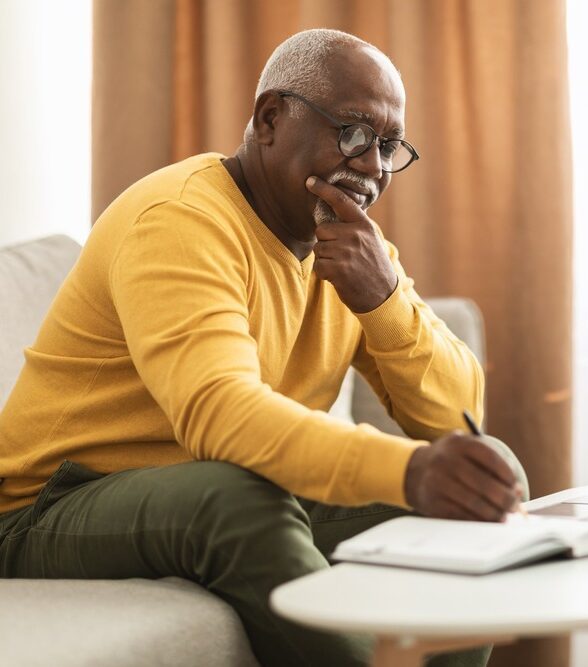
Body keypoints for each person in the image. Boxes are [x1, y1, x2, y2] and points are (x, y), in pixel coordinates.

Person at [0, 29, 527, 667]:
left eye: (390, 147)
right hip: (47, 507)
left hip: (215, 491)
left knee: (483, 480)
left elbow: (456, 419)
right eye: (354, 132)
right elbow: (218, 416)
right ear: (271, 118)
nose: (373, 167)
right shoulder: (180, 219)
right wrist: (408, 472)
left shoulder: (353, 246)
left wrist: (382, 300)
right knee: (237, 499)